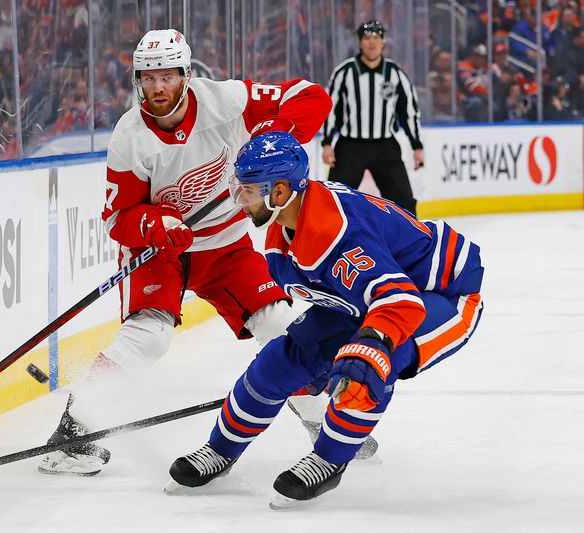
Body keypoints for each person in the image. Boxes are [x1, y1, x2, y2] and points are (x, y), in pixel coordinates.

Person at [38, 28, 373, 476]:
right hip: (162, 252)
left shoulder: (225, 100)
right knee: (149, 335)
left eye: (168, 76)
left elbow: (310, 96)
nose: (157, 88)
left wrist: (274, 136)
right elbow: (119, 218)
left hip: (226, 243)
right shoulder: (130, 137)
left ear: (187, 75)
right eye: (148, 77)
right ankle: (71, 434)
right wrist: (155, 224)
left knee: (280, 325)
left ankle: (322, 424)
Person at [168, 131, 484, 509]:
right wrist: (313, 362)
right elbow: (340, 299)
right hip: (369, 300)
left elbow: (399, 301)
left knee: (369, 368)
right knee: (280, 361)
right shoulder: (283, 232)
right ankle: (219, 451)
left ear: (280, 191)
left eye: (248, 190)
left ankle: (328, 460)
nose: (240, 199)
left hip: (441, 295)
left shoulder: (335, 234)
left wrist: (364, 351)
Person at [321, 20, 423, 215]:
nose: (372, 43)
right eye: (367, 38)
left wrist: (416, 146)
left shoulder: (395, 73)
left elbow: (408, 111)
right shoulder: (344, 72)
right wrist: (326, 143)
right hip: (350, 147)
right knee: (332, 200)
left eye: (376, 38)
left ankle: (409, 243)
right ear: (360, 42)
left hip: (385, 147)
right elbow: (330, 108)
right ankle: (329, 243)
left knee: (404, 202)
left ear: (383, 42)